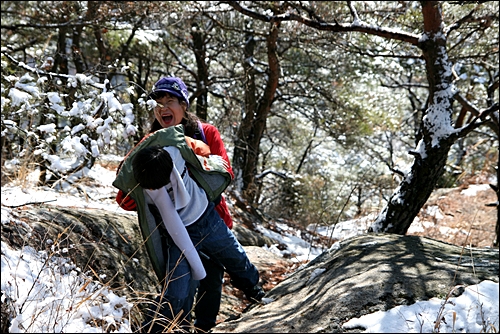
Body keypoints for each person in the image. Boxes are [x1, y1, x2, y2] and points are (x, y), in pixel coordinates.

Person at [117, 77, 264, 332]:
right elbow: (127, 194)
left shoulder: (205, 132)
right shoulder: (151, 145)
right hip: (176, 232)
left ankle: (238, 306)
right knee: (179, 291)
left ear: (184, 105)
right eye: (158, 102)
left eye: (170, 101)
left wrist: (193, 157)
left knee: (218, 278)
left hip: (209, 217)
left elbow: (222, 169)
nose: (163, 107)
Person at [133, 144, 259, 333]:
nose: (154, 188)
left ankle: (255, 292)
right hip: (177, 236)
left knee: (236, 258)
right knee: (177, 292)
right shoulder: (144, 183)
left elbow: (197, 148)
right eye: (150, 187)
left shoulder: (174, 154)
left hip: (207, 218)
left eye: (158, 185)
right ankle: (153, 328)